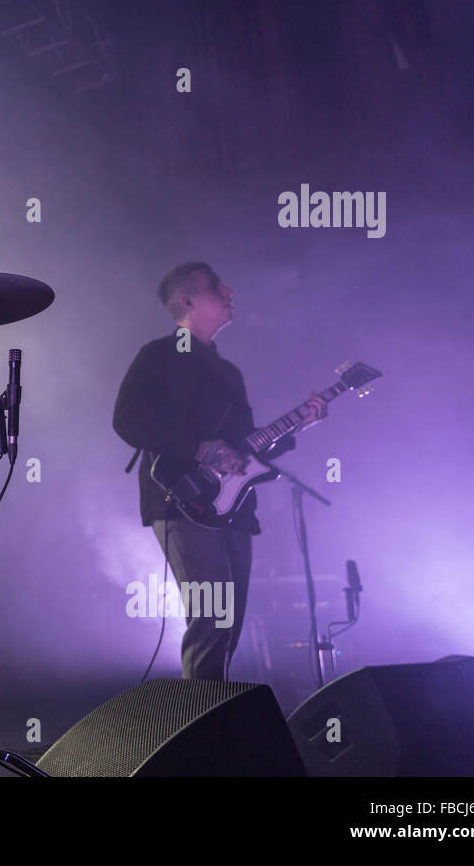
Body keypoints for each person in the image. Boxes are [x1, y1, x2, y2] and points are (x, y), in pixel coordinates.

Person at [112, 262, 324, 681]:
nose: (228, 291)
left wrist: (299, 425)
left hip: (234, 507)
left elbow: (247, 446)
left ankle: (213, 720)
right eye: (215, 287)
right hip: (181, 498)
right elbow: (127, 421)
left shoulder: (228, 373)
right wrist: (196, 447)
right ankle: (201, 733)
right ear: (188, 301)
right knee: (213, 620)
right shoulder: (157, 356)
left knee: (230, 624)